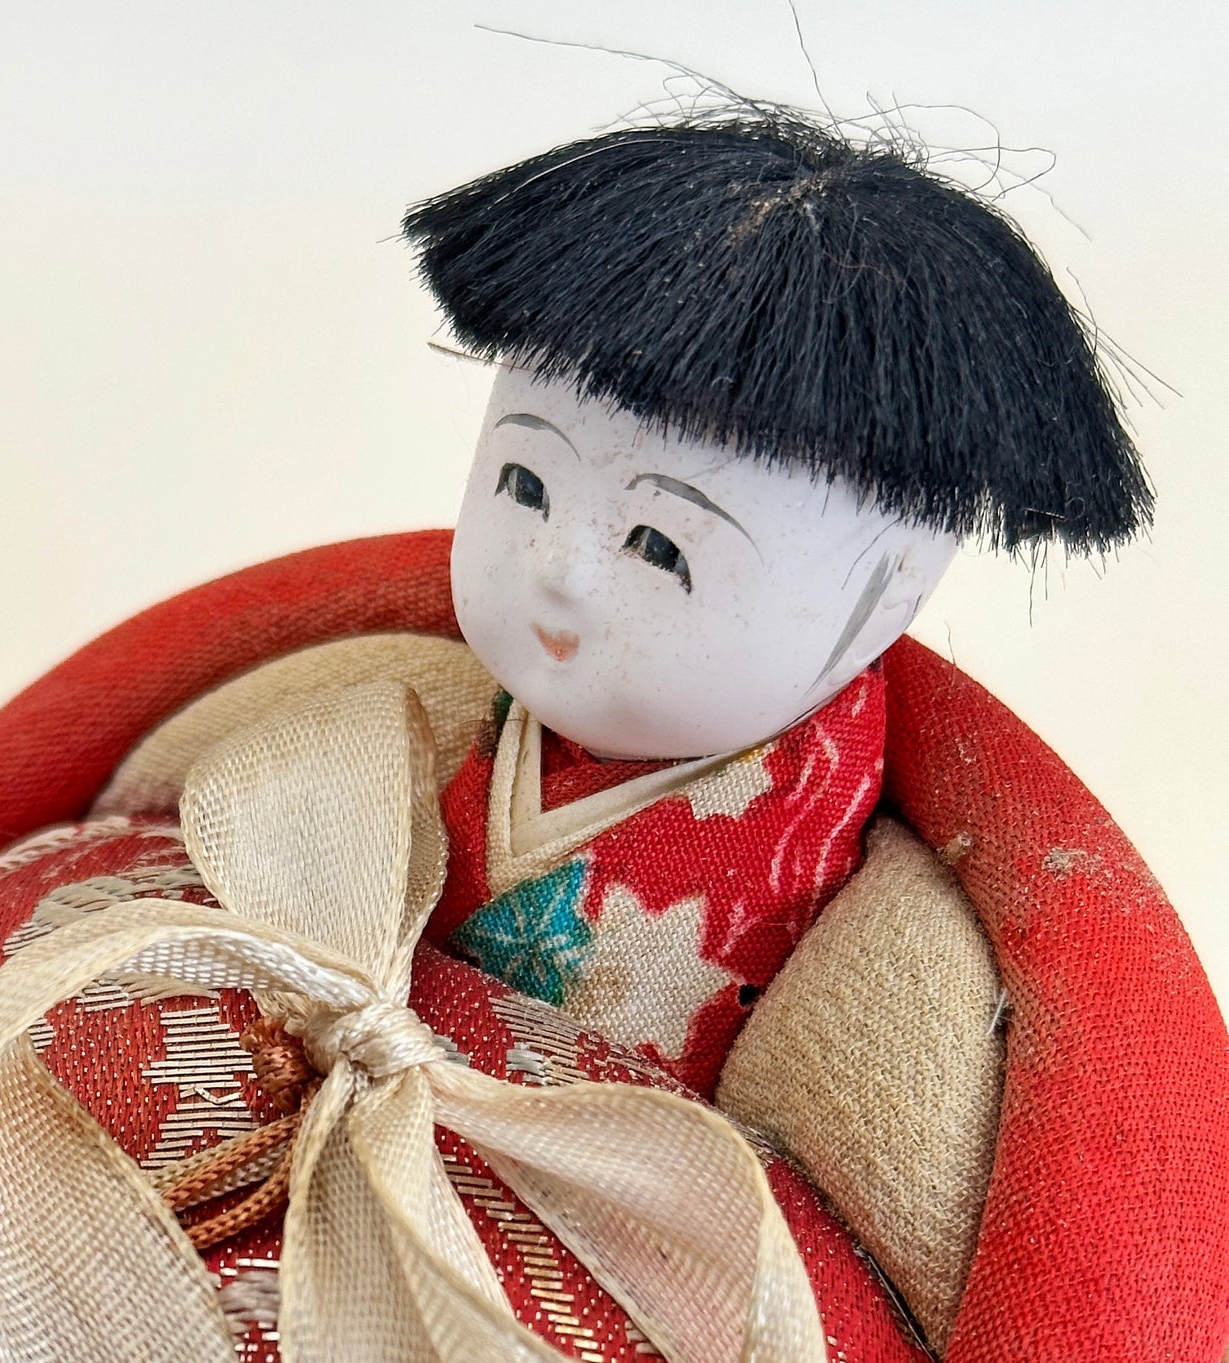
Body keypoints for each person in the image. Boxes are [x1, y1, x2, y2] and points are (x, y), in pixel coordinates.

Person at [404, 113, 1149, 1094]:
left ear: (886, 596)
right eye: (524, 485)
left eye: (658, 546)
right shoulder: (412, 696)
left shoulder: (894, 941)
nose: (559, 571)